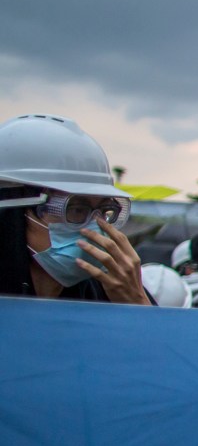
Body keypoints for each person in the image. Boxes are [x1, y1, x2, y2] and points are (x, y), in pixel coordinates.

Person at [0, 114, 147, 304]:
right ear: (14, 213)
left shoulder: (112, 287)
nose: (95, 229)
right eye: (76, 209)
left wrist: (138, 302)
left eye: (105, 211)